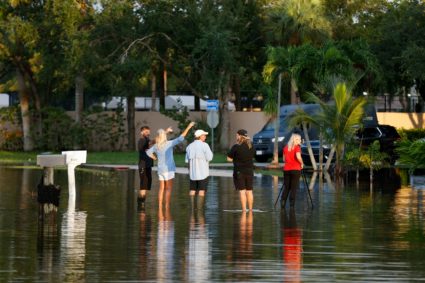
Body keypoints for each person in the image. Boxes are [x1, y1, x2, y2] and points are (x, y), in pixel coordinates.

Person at [147, 122, 195, 208]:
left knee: (161, 188)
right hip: (168, 170)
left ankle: (160, 206)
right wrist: (188, 127)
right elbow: (181, 137)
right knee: (168, 188)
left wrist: (155, 158)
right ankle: (167, 206)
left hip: (160, 170)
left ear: (158, 136)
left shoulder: (156, 146)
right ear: (164, 136)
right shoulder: (169, 143)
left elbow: (148, 152)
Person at [227, 129, 255, 211]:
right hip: (250, 171)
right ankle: (250, 210)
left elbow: (228, 159)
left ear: (240, 136)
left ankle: (244, 210)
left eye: (237, 135)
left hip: (239, 172)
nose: (236, 137)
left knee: (242, 191)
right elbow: (252, 156)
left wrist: (236, 159)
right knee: (249, 191)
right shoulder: (251, 146)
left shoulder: (236, 147)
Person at [185, 129, 213, 210]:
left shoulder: (189, 146)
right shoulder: (205, 145)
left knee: (192, 190)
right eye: (204, 135)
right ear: (200, 136)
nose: (205, 137)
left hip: (192, 174)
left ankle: (192, 210)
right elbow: (210, 157)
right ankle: (199, 210)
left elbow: (187, 161)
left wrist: (189, 172)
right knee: (201, 190)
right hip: (203, 173)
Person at [281, 133, 304, 209]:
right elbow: (298, 157)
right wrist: (302, 163)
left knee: (286, 187)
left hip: (286, 170)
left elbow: (284, 159)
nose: (300, 141)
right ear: (295, 140)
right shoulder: (297, 147)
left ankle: (283, 202)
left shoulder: (285, 148)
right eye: (299, 139)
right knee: (293, 187)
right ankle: (291, 205)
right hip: (295, 169)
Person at [137, 126, 153, 209]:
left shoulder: (147, 141)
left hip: (148, 166)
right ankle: (140, 205)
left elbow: (153, 142)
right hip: (143, 166)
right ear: (142, 132)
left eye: (148, 132)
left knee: (146, 186)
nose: (148, 133)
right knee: (143, 185)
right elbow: (142, 152)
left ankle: (142, 204)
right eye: (146, 132)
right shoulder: (141, 141)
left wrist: (164, 133)